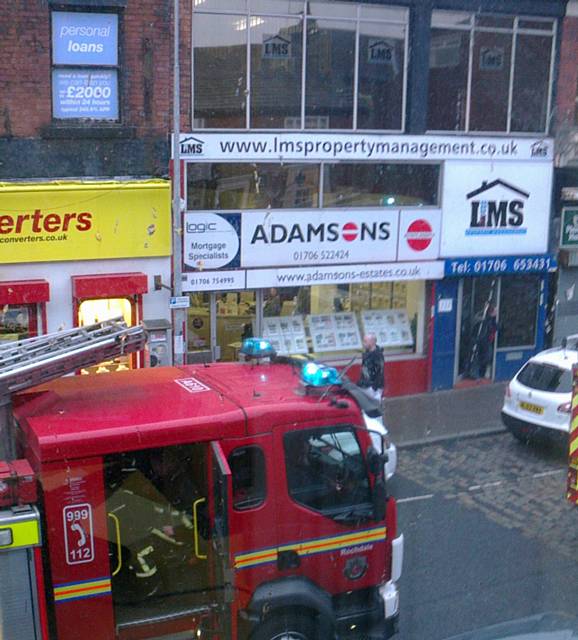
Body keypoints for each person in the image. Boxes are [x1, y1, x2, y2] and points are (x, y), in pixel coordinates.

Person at [358, 333, 385, 401]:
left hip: (372, 387)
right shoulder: (367, 353)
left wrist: (374, 387)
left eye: (365, 341)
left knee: (373, 406)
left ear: (372, 342)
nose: (363, 343)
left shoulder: (377, 355)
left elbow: (379, 371)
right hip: (365, 385)